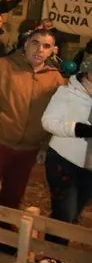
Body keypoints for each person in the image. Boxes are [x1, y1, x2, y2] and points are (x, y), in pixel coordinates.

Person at [0, 29, 65, 211]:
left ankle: (2, 234)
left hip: (28, 149)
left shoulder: (55, 79)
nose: (40, 50)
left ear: (53, 50)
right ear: (26, 44)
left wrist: (44, 145)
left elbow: (57, 115)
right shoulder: (2, 66)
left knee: (13, 195)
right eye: (36, 43)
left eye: (46, 46)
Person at [40, 58, 92, 252]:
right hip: (63, 157)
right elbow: (47, 121)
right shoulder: (67, 92)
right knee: (65, 211)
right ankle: (50, 254)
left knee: (76, 212)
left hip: (89, 164)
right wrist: (76, 129)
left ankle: (61, 255)